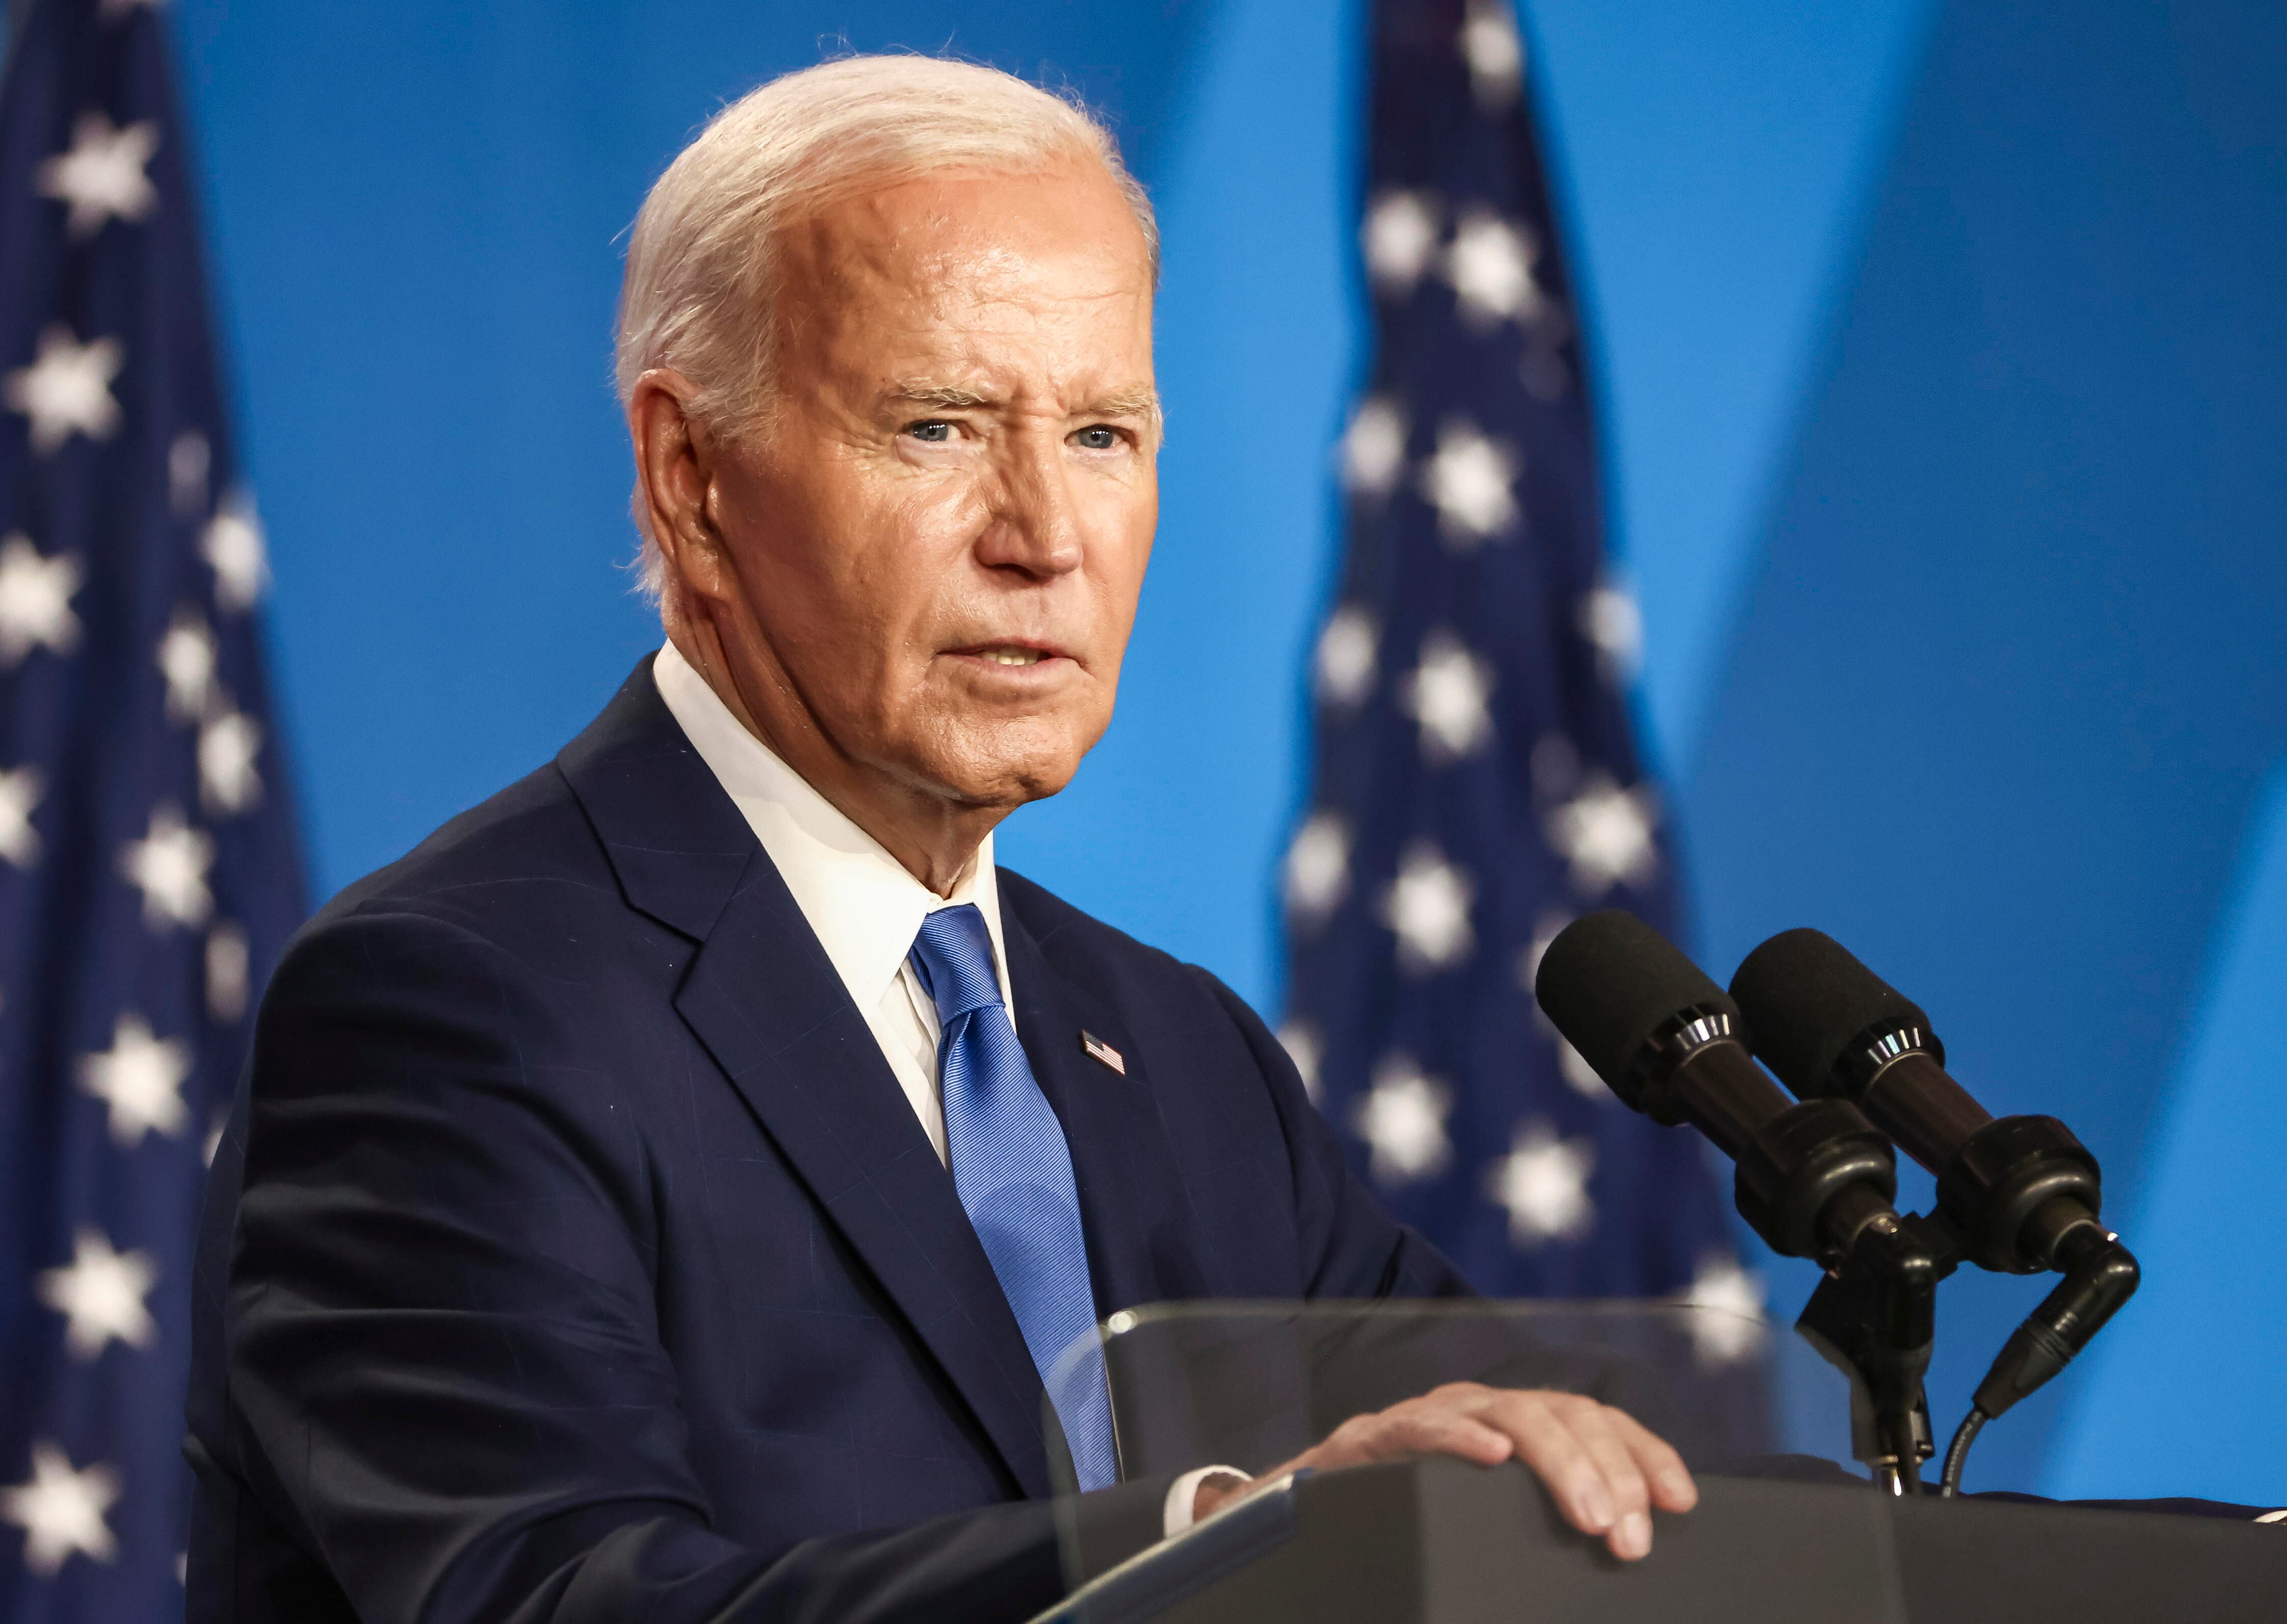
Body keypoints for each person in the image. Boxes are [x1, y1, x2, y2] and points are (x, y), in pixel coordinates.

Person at [182, 54, 1698, 1624]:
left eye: (1104, 434)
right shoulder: (454, 1003)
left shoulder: (1185, 1057)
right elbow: (551, 1597)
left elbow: (1498, 1477)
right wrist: (1217, 1534)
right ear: (690, 478)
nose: (1043, 536)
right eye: (939, 427)